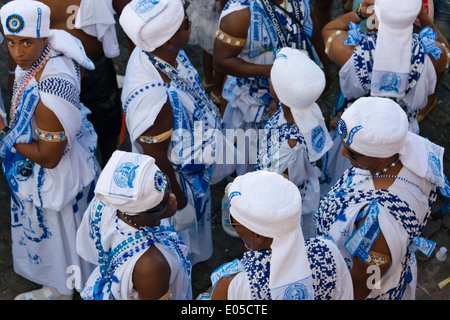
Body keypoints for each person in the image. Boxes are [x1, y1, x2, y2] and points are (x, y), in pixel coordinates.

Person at [119, 0, 235, 265]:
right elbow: (158, 159)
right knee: (179, 247)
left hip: (191, 155)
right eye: (184, 23)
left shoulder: (161, 52)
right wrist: (180, 204)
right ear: (168, 41)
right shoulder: (155, 103)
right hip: (176, 183)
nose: (190, 23)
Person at [0, 1, 99, 299]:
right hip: (69, 163)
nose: (18, 53)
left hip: (54, 175)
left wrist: (4, 132)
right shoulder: (51, 53)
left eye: (26, 42)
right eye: (11, 42)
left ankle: (60, 290)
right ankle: (69, 283)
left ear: (44, 36)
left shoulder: (49, 91)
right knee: (70, 233)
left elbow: (49, 158)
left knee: (58, 235)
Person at [315, 96, 450, 300]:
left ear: (379, 155)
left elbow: (365, 284)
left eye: (352, 153)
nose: (342, 153)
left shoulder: (378, 229)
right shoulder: (412, 151)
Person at [319, 0, 449, 196]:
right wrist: (422, 17)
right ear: (413, 16)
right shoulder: (429, 54)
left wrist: (359, 13)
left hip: (358, 130)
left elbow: (328, 29)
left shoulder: (352, 51)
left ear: (377, 13)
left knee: (345, 178)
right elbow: (446, 49)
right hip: (402, 132)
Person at [7, 0, 131, 167]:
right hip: (41, 75)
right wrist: (12, 73)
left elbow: (133, 17)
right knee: (49, 139)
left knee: (108, 127)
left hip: (94, 70)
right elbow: (16, 27)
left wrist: (137, 67)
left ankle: (112, 168)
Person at [213, 0, 330, 175]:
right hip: (251, 103)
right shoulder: (239, 15)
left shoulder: (301, 3)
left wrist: (324, 69)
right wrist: (278, 72)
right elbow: (221, 62)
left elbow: (313, 34)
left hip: (293, 97)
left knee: (292, 156)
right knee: (249, 159)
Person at [198, 170, 353, 300]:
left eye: (234, 222)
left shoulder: (235, 285)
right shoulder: (328, 251)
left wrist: (205, 296)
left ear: (259, 236)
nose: (232, 225)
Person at [76, 150, 192, 300]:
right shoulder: (151, 265)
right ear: (139, 214)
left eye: (168, 188)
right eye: (162, 204)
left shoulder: (107, 202)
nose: (173, 199)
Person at [255, 47, 333, 238]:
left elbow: (280, 187)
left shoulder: (290, 146)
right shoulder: (308, 111)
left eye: (272, 78)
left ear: (281, 93)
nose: (269, 79)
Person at [186, 0, 227, 111]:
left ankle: (208, 80)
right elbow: (225, 7)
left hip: (206, 17)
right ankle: (217, 91)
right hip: (220, 20)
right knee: (222, 56)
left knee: (208, 50)